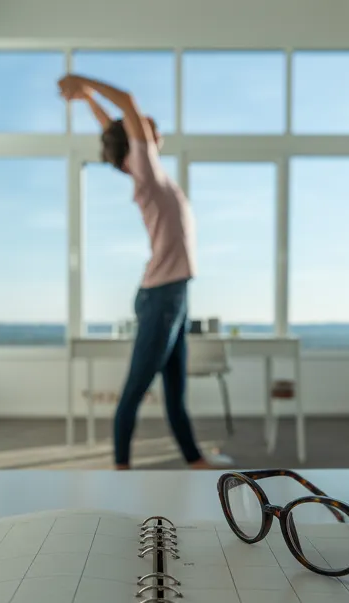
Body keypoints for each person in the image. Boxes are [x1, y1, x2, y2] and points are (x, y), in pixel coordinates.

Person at [58, 73, 231, 471]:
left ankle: (195, 460)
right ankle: (121, 468)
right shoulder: (147, 171)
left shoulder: (146, 172)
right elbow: (129, 105)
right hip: (162, 296)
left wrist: (87, 101)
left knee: (174, 390)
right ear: (135, 146)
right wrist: (83, 83)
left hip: (173, 294)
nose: (150, 124)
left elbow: (115, 127)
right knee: (136, 389)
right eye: (145, 127)